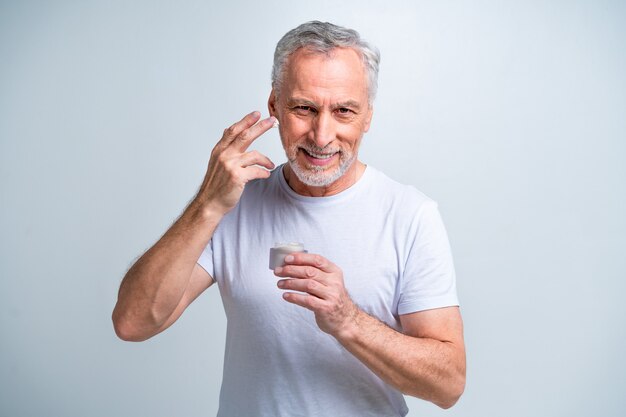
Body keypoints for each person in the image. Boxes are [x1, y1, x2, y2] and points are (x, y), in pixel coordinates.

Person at [113, 21, 466, 416]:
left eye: (344, 111)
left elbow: (447, 385)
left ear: (367, 116)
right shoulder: (234, 204)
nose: (321, 135)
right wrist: (207, 205)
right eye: (304, 108)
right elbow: (133, 322)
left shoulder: (410, 215)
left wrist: (347, 320)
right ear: (275, 105)